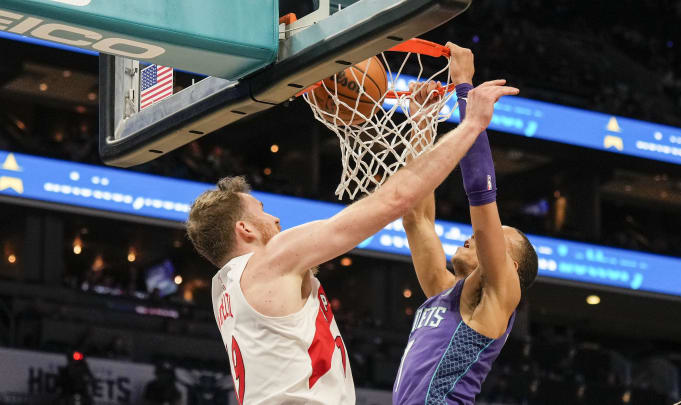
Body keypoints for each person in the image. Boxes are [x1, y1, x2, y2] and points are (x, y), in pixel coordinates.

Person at [185, 44, 519, 405]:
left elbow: (429, 214)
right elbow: (400, 203)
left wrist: (422, 123)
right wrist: (470, 123)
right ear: (244, 230)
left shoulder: (225, 290)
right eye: (262, 211)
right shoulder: (273, 259)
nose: (275, 218)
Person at [392, 44, 538, 404]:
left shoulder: (497, 299)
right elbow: (416, 216)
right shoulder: (444, 295)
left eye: (493, 239)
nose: (475, 236)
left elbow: (480, 194)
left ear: (510, 266)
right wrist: (422, 124)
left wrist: (464, 88)